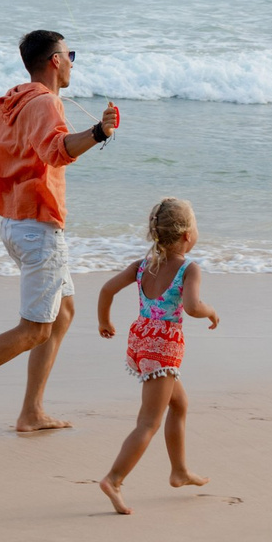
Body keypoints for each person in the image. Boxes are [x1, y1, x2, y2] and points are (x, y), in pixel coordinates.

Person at [0, 28, 121, 437]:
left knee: (62, 313)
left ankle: (31, 411)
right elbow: (56, 150)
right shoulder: (45, 102)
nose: (72, 63)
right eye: (70, 55)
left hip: (15, 224)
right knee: (34, 328)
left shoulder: (11, 101)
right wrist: (98, 133)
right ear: (55, 60)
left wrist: (20, 164)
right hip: (38, 228)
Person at [92, 197, 219, 513]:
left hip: (141, 343)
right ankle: (114, 479)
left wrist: (104, 321)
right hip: (162, 349)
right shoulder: (189, 268)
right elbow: (192, 307)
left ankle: (179, 471)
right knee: (148, 422)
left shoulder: (142, 266)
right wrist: (211, 311)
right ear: (187, 235)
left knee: (179, 404)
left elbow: (107, 290)